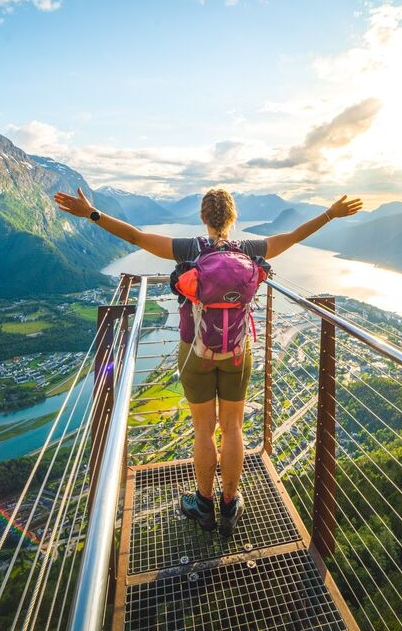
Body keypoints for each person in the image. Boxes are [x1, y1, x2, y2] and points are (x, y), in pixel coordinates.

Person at [54, 186, 362, 537]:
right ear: (233, 218)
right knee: (232, 428)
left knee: (204, 429)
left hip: (195, 349)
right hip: (236, 352)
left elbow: (135, 236)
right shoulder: (250, 249)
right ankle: (230, 504)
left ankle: (204, 504)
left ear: (204, 217)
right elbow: (292, 237)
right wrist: (329, 214)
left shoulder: (188, 248)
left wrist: (92, 214)